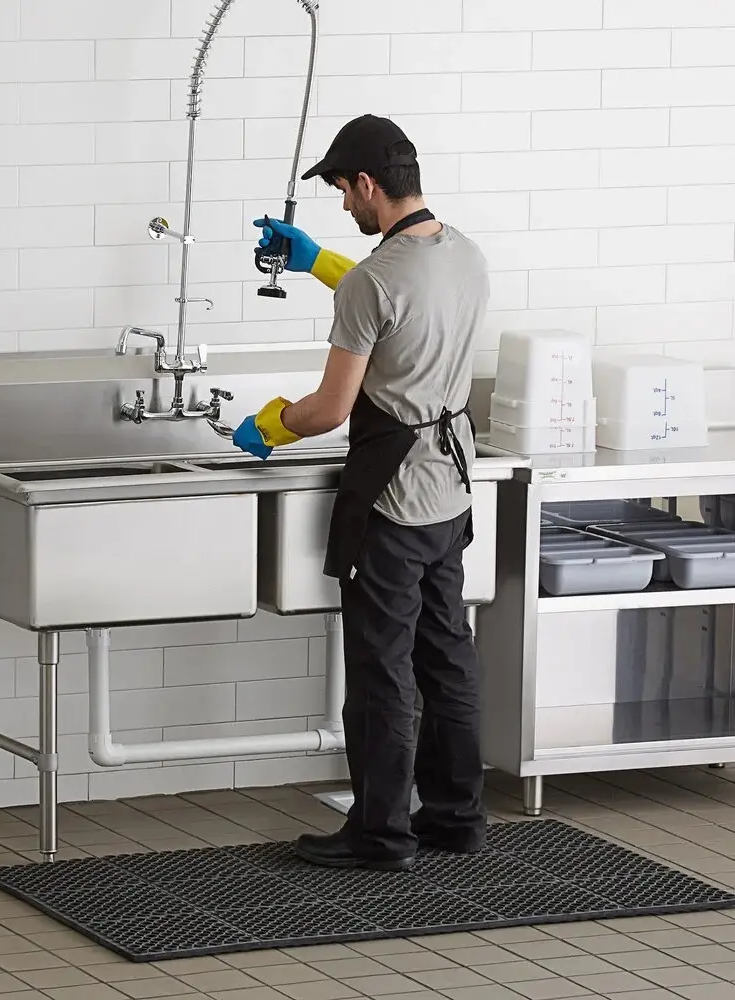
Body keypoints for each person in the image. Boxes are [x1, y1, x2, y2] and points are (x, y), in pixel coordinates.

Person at [233, 114, 489, 871]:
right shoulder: (464, 253)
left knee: (381, 671)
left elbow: (328, 410)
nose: (344, 205)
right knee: (447, 657)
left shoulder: (375, 281)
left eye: (344, 191)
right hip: (450, 490)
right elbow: (395, 302)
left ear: (370, 184)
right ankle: (457, 818)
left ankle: (380, 835)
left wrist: (267, 426)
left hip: (393, 501)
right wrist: (317, 261)